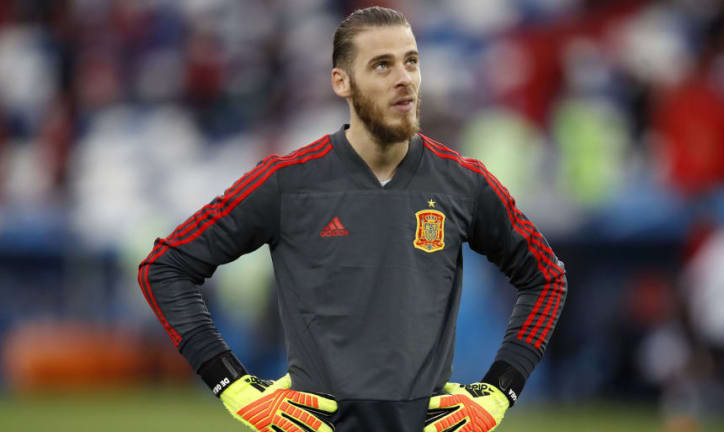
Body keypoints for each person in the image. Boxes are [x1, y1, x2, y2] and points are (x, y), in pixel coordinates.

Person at [138, 6, 567, 432]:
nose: (404, 78)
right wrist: (234, 387)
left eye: (411, 62)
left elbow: (546, 278)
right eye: (382, 65)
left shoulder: (463, 183)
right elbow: (165, 268)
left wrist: (500, 390)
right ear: (341, 81)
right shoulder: (288, 183)